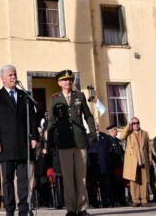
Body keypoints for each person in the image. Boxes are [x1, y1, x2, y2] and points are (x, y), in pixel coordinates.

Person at [0, 64, 38, 216]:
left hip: (23, 144)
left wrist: (34, 136)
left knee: (23, 180)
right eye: (10, 75)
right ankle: (9, 210)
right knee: (8, 181)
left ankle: (23, 209)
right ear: (3, 79)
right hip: (5, 145)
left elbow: (32, 119)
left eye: (14, 74)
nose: (14, 77)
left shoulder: (24, 96)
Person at [46, 69, 95, 216]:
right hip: (64, 142)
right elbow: (52, 121)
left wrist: (92, 133)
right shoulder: (55, 98)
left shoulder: (80, 96)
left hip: (80, 141)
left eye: (70, 80)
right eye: (65, 80)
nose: (68, 82)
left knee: (81, 176)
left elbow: (88, 116)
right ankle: (71, 209)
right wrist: (49, 140)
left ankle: (82, 208)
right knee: (68, 177)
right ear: (59, 82)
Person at [119, 117, 152, 207]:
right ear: (131, 124)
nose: (136, 124)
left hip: (143, 160)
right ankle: (136, 200)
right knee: (134, 181)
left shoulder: (145, 133)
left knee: (144, 180)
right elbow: (121, 137)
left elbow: (148, 148)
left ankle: (144, 200)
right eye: (133, 123)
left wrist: (150, 159)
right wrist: (127, 125)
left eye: (137, 122)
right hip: (132, 161)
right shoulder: (128, 133)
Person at [106, 125, 126, 206]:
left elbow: (121, 151)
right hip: (112, 165)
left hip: (119, 165)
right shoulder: (108, 140)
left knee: (120, 183)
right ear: (111, 132)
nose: (117, 132)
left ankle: (122, 200)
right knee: (113, 183)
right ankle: (114, 200)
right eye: (115, 130)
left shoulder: (118, 140)